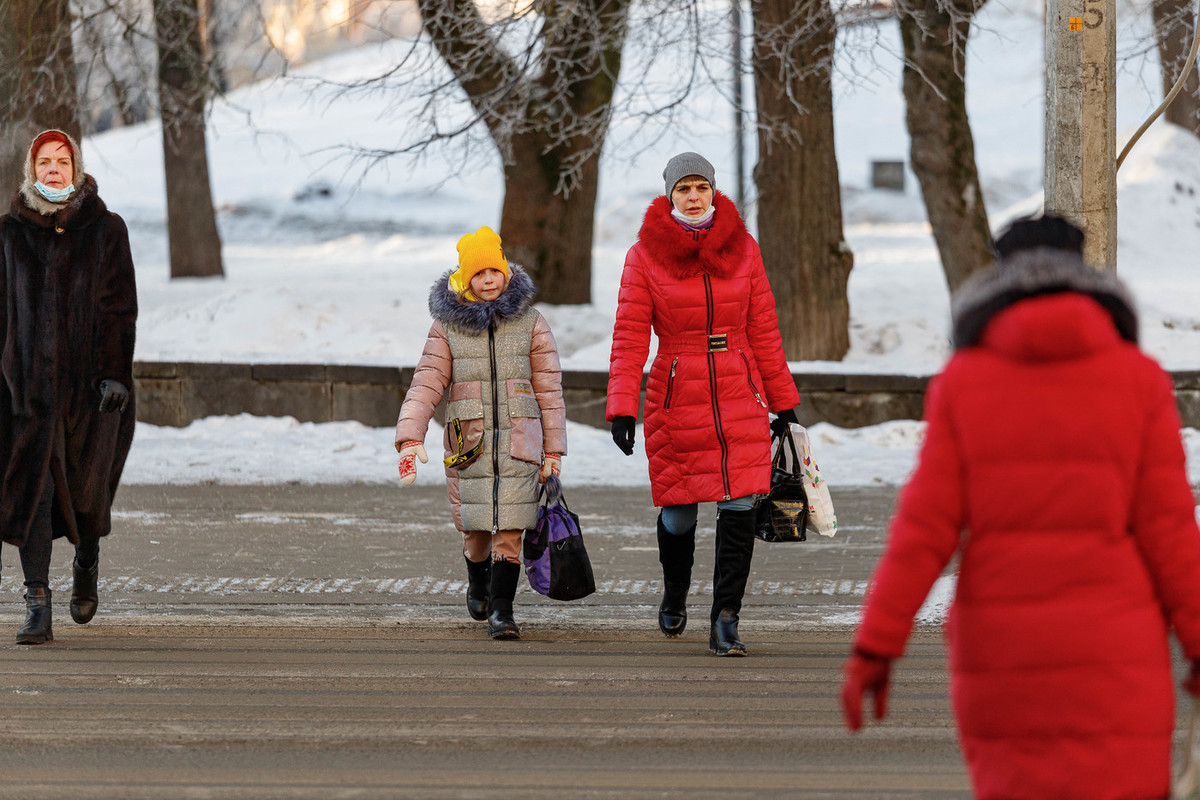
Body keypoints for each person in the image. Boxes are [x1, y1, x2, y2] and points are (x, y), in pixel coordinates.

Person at [840, 214, 1200, 799]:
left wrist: (875, 647)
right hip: (1117, 653)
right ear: (1086, 276)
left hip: (1001, 658)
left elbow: (923, 530)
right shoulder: (1139, 381)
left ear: (999, 281)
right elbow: (1172, 533)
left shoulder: (963, 383)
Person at [606, 152, 800, 656]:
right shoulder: (644, 255)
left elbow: (764, 331)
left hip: (740, 390)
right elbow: (629, 336)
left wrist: (783, 403)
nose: (693, 197)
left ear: (714, 192)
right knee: (680, 514)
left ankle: (725, 619)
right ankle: (675, 591)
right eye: (683, 189)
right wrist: (622, 405)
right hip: (675, 395)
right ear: (669, 195)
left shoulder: (745, 249)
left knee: (739, 504)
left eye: (701, 188)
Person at [395, 226, 566, 640]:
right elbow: (427, 381)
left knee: (511, 526)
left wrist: (554, 450)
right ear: (465, 279)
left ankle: (503, 612)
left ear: (506, 271)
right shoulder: (448, 327)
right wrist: (409, 437)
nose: (489, 280)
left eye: (495, 270)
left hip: (519, 443)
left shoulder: (531, 323)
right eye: (479, 273)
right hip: (468, 444)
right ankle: (477, 579)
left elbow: (549, 389)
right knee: (476, 529)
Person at [0, 129, 137, 644]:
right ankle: (37, 601)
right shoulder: (8, 235)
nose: (53, 170)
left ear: (75, 168)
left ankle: (87, 558)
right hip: (25, 393)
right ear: (32, 170)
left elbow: (120, 309)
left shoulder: (106, 230)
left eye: (62, 161)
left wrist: (116, 376)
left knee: (85, 495)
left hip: (91, 393)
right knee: (30, 493)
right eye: (44, 162)